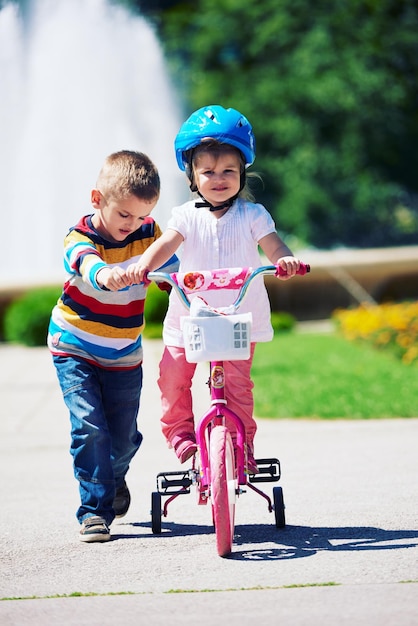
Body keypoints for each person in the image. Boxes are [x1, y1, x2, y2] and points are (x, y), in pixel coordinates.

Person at [126, 105, 301, 472]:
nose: (219, 178)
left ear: (242, 173)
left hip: (239, 317)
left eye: (229, 171)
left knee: (238, 386)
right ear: (192, 175)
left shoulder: (253, 216)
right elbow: (165, 245)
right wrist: (144, 265)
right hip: (188, 318)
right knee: (172, 378)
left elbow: (273, 246)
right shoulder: (185, 216)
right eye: (208, 171)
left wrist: (285, 260)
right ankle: (182, 438)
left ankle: (242, 446)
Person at [48, 150, 178, 543]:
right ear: (97, 199)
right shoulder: (80, 236)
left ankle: (112, 477)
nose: (133, 225)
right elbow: (87, 263)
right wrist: (106, 275)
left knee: (122, 438)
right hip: (76, 345)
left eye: (141, 216)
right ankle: (93, 511)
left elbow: (171, 267)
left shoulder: (149, 232)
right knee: (91, 428)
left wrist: (175, 279)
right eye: (124, 215)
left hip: (124, 353)